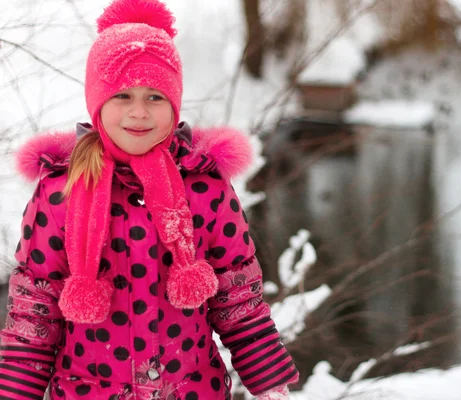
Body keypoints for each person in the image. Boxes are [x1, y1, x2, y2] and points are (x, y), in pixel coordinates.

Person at [0, 0, 298, 399]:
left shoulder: (205, 188)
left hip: (192, 390)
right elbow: (34, 310)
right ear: (98, 100)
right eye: (123, 95)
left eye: (155, 96)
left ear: (174, 104)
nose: (139, 112)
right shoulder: (61, 192)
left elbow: (238, 298)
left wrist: (270, 386)